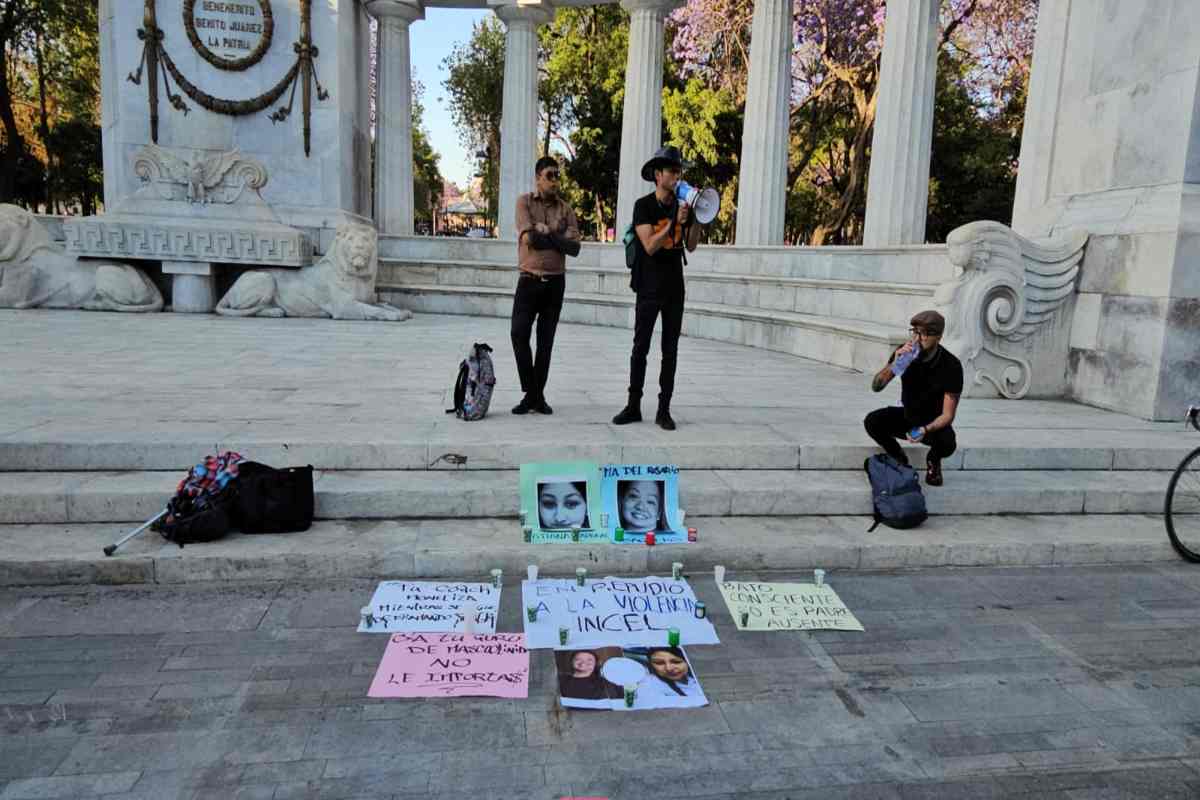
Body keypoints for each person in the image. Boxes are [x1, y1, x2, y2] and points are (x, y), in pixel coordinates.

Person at [612, 145, 703, 431]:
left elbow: (691, 245)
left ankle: (664, 409)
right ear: (657, 174)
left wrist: (695, 218)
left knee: (670, 349)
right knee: (641, 347)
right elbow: (650, 245)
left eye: (679, 171)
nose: (677, 175)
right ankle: (633, 405)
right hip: (649, 284)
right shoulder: (644, 206)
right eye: (672, 171)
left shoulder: (683, 205)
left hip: (675, 284)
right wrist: (673, 222)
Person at [511, 156, 581, 415]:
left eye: (557, 175)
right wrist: (557, 236)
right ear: (538, 177)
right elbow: (530, 240)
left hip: (555, 283)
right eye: (550, 175)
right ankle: (533, 392)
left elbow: (574, 248)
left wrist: (548, 233)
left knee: (545, 342)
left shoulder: (566, 209)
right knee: (518, 334)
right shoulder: (524, 203)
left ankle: (535, 397)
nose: (555, 180)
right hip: (528, 280)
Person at [864, 310, 963, 486]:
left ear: (938, 337)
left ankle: (933, 459)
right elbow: (876, 386)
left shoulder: (951, 365)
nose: (918, 338)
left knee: (948, 443)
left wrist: (924, 430)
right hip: (908, 416)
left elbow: (948, 415)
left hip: (932, 423)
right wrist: (895, 363)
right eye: (915, 332)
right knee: (872, 421)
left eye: (925, 333)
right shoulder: (906, 354)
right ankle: (898, 456)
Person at [638, 646, 703, 699]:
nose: (668, 668)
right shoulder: (650, 685)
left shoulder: (694, 678)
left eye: (676, 662)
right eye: (659, 663)